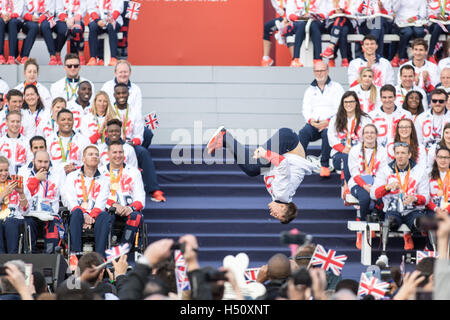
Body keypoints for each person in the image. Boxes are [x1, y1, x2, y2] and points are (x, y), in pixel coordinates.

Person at [207, 126, 315, 224]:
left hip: (288, 143)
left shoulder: (279, 195)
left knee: (251, 169)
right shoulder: (282, 193)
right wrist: (265, 154)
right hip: (289, 144)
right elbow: (283, 163)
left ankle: (225, 142)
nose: (272, 214)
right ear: (282, 207)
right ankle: (224, 136)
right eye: (276, 215)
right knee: (253, 168)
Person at [371, 142, 429, 258]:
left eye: (403, 153)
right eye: (397, 153)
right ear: (394, 155)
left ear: (409, 155)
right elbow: (373, 194)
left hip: (413, 211)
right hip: (393, 210)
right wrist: (387, 188)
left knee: (423, 221)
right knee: (388, 222)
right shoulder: (385, 170)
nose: (400, 156)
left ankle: (432, 253)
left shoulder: (420, 171)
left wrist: (415, 198)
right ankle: (383, 255)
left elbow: (426, 199)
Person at [112, 83, 165, 202]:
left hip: (130, 144)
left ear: (128, 94)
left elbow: (139, 135)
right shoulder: (110, 110)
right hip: (112, 144)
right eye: (118, 93)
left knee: (143, 152)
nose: (121, 95)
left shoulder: (134, 111)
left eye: (124, 93)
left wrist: (131, 142)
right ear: (114, 95)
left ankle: (155, 190)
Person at [62, 145, 110, 256]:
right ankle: (75, 253)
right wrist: (84, 215)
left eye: (96, 154)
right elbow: (70, 200)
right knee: (77, 212)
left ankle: (100, 256)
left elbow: (101, 202)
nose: (94, 156)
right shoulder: (72, 177)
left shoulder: (104, 180)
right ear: (83, 159)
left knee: (104, 215)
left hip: (95, 217)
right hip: (77, 215)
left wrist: (91, 217)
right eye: (90, 154)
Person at [299, 61, 345, 176]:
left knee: (327, 133)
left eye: (322, 70)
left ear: (327, 71)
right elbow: (305, 109)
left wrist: (328, 122)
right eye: (317, 71)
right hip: (314, 123)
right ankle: (299, 164)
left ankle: (324, 166)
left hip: (331, 124)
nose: (319, 73)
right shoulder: (310, 90)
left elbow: (341, 108)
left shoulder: (336, 87)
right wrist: (311, 121)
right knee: (303, 133)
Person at [348, 123, 387, 248]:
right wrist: (365, 186)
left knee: (381, 198)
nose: (369, 135)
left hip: (377, 182)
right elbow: (354, 173)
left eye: (372, 132)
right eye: (367, 133)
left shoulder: (383, 151)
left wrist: (374, 186)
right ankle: (362, 229)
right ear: (362, 135)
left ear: (376, 135)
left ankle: (374, 223)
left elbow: (383, 171)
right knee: (364, 198)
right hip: (358, 183)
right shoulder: (355, 150)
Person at [99, 141, 145, 248]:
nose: (118, 155)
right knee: (106, 216)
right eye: (114, 152)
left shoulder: (134, 172)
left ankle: (123, 250)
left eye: (121, 152)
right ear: (108, 154)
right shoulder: (100, 172)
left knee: (136, 216)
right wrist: (113, 205)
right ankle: (107, 248)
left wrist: (130, 208)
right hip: (108, 210)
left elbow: (140, 198)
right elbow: (96, 196)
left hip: (128, 210)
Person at [22, 150, 65, 253]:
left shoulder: (58, 174)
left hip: (50, 214)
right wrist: (36, 179)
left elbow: (65, 195)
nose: (43, 165)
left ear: (50, 162)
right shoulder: (24, 172)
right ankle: (30, 257)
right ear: (33, 161)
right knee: (28, 224)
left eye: (46, 162)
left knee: (54, 225)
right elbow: (22, 193)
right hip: (30, 213)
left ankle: (50, 257)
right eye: (39, 161)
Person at [327, 91, 372, 183]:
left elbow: (370, 136)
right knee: (346, 157)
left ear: (356, 103)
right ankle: (347, 185)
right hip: (340, 154)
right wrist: (343, 149)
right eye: (346, 102)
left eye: (351, 102)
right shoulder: (335, 119)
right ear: (342, 104)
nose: (349, 104)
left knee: (352, 158)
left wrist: (355, 150)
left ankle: (350, 185)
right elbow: (331, 136)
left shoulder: (365, 119)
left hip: (360, 152)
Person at [285, 0, 329, 67]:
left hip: (316, 21)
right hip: (299, 21)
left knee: (313, 25)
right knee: (301, 25)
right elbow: (289, 14)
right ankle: (295, 59)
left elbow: (324, 14)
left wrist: (313, 16)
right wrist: (300, 17)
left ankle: (318, 59)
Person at [46, 109, 90, 175]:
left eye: (69, 119)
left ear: (73, 121)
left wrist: (75, 168)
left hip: (77, 177)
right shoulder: (48, 140)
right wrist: (61, 169)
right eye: (63, 119)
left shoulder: (84, 140)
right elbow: (45, 163)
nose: (66, 122)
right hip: (54, 178)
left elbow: (88, 162)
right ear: (57, 122)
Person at [369, 84, 412, 150]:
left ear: (395, 97)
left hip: (400, 152)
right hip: (379, 153)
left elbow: (412, 136)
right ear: (380, 98)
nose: (387, 100)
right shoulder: (371, 116)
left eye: (390, 97)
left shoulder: (406, 115)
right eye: (384, 97)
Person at [0, 156, 29, 254]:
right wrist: (3, 194)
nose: (4, 173)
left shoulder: (15, 184)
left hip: (14, 220)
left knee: (10, 222)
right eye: (0, 170)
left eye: (6, 170)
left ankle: (12, 258)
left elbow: (25, 210)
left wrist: (21, 193)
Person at [425, 146, 450, 252]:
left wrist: (447, 210)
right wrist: (436, 209)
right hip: (432, 210)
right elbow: (425, 197)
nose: (443, 160)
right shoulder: (428, 175)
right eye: (440, 157)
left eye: (446, 157)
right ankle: (431, 249)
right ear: (435, 158)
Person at [320, 0, 357, 67]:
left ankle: (331, 53)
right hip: (332, 25)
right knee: (343, 30)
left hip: (349, 24)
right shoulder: (327, 1)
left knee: (341, 19)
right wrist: (334, 12)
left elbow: (356, 13)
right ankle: (344, 59)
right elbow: (324, 14)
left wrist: (344, 12)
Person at [20, 0, 58, 65]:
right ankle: (24, 57)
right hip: (29, 20)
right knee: (34, 27)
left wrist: (41, 19)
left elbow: (51, 11)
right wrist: (30, 17)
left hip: (46, 19)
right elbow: (22, 11)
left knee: (45, 26)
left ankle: (53, 56)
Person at [390, 0, 427, 67]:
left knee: (419, 32)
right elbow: (394, 9)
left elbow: (423, 13)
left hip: (416, 21)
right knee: (407, 32)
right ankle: (400, 56)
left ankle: (417, 56)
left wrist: (415, 18)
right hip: (401, 21)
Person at [86, 0, 123, 66]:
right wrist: (97, 20)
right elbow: (91, 8)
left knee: (111, 26)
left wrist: (111, 18)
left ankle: (113, 58)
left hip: (114, 19)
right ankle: (93, 58)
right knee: (93, 27)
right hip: (97, 20)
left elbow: (119, 8)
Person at [55, 0, 88, 65]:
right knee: (63, 31)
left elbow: (83, 9)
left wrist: (74, 19)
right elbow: (58, 10)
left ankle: (80, 55)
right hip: (63, 20)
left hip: (78, 19)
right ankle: (57, 54)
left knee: (77, 29)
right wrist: (66, 19)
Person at [0, 110, 33, 175]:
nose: (15, 124)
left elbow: (30, 162)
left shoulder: (27, 142)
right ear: (6, 122)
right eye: (12, 121)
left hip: (22, 178)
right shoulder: (1, 142)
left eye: (18, 121)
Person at [261, 0, 287, 66]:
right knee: (269, 28)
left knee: (288, 28)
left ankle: (295, 60)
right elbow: (279, 11)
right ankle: (266, 59)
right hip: (284, 19)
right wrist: (284, 18)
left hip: (297, 17)